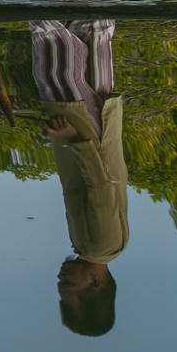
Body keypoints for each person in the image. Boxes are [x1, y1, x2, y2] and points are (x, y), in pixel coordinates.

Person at [31, 18, 126, 335]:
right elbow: (99, 187)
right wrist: (73, 138)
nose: (60, 279)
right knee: (54, 47)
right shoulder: (100, 246)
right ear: (96, 283)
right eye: (68, 286)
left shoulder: (98, 246)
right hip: (81, 129)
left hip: (89, 132)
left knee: (92, 35)